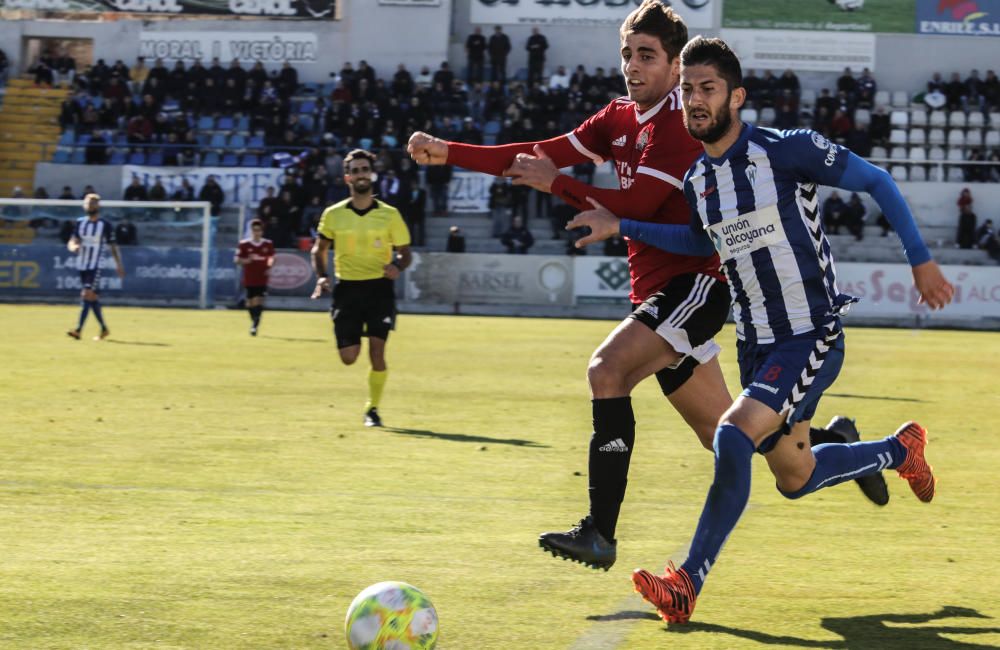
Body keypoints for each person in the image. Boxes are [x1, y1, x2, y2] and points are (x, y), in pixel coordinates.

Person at [407, 0, 886, 573]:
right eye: (627, 54)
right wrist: (449, 154)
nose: (632, 66)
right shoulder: (618, 117)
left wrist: (557, 186)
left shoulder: (680, 126)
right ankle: (841, 440)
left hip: (696, 286)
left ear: (675, 64)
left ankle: (600, 533)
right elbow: (540, 155)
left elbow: (631, 205)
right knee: (744, 443)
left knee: (606, 371)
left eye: (647, 56)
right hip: (656, 293)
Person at [566, 36, 954, 623]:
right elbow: (701, 242)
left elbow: (879, 182)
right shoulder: (700, 179)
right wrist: (624, 223)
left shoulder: (786, 151)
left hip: (810, 332)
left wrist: (921, 260)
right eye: (689, 90)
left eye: (708, 89)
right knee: (794, 476)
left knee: (730, 436)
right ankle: (899, 451)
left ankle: (686, 583)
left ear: (736, 96)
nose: (695, 100)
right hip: (756, 344)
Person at [310, 149, 412, 428]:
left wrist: (397, 266)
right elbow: (319, 250)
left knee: (377, 352)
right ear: (347, 178)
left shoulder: (390, 215)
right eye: (355, 170)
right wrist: (321, 276)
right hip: (347, 289)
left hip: (380, 289)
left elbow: (405, 253)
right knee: (348, 357)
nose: (361, 174)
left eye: (365, 169)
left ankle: (373, 409)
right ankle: (370, 403)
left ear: (372, 173)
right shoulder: (333, 215)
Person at [66, 194, 126, 341]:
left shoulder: (105, 225)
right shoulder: (80, 223)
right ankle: (104, 329)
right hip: (82, 264)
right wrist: (73, 247)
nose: (90, 206)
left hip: (96, 264)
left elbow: (113, 246)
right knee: (92, 298)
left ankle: (78, 330)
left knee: (86, 293)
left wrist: (119, 264)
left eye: (93, 203)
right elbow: (72, 241)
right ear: (84, 206)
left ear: (98, 206)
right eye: (88, 203)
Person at [235, 218, 275, 336]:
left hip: (262, 277)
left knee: (259, 300)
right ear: (251, 231)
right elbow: (237, 260)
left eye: (259, 230)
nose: (257, 232)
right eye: (254, 230)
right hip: (249, 278)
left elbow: (272, 257)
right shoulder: (244, 244)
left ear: (262, 231)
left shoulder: (268, 244)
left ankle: (254, 326)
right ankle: (254, 321)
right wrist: (247, 260)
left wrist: (269, 266)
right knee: (250, 303)